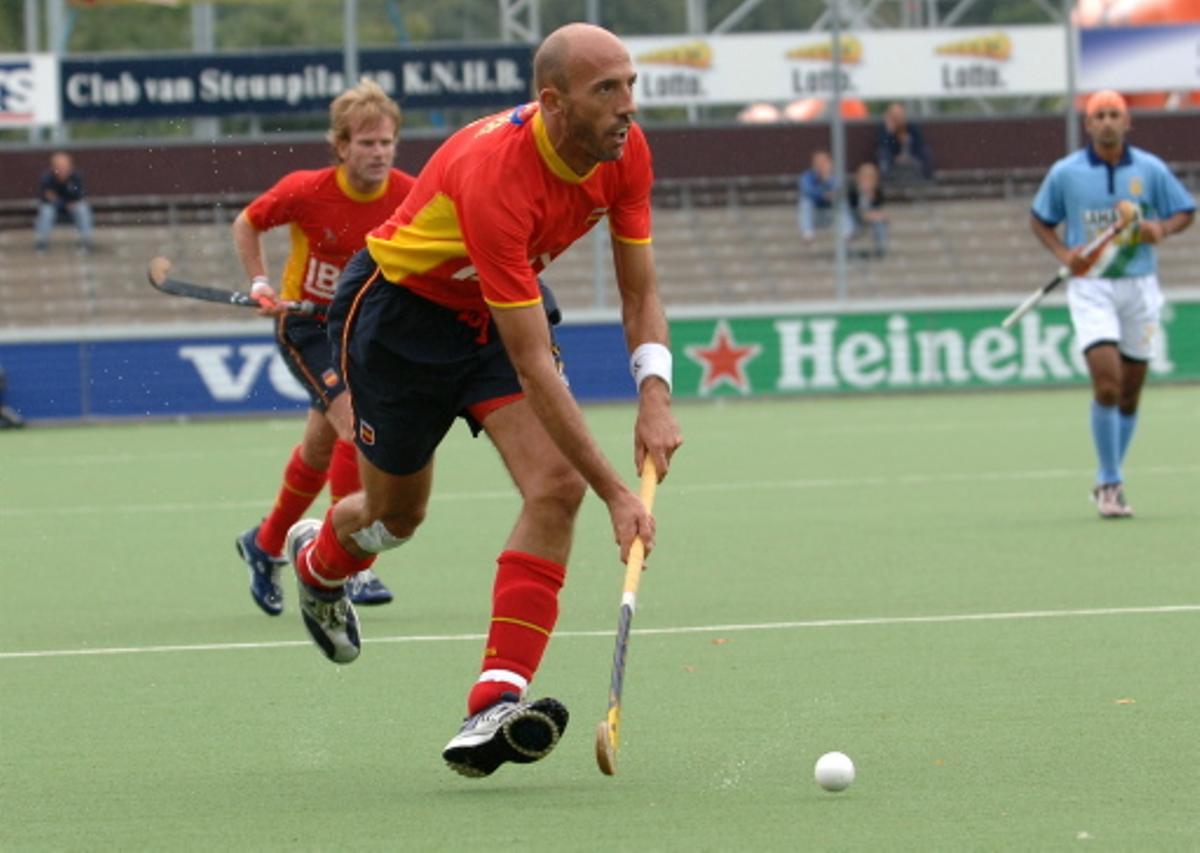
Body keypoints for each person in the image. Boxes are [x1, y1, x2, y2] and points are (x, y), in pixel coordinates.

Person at [285, 22, 683, 779]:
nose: (628, 105)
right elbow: (536, 364)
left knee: (553, 484)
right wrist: (616, 494)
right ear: (553, 102)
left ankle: (495, 698)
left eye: (631, 85)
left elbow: (642, 290)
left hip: (498, 317)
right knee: (394, 515)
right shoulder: (497, 172)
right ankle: (318, 563)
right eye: (608, 90)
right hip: (399, 321)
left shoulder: (624, 151)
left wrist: (654, 397)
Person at [231, 78, 416, 614]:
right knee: (355, 429)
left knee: (320, 447)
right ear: (341, 146)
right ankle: (352, 565)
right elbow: (248, 223)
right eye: (366, 143)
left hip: (365, 329)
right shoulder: (306, 189)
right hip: (306, 327)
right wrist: (261, 282)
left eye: (385, 143)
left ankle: (264, 546)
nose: (378, 153)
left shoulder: (410, 192)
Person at [1030, 89, 1194, 518]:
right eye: (1098, 115)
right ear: (1088, 125)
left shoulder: (1150, 169)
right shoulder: (1065, 173)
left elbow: (1185, 210)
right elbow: (1040, 220)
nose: (1106, 121)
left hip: (1139, 286)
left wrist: (1161, 229)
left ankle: (1112, 475)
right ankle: (1109, 482)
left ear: (1127, 123)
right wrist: (1065, 255)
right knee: (1107, 382)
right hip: (1092, 287)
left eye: (1113, 115)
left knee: (1131, 394)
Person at [34, 151, 94, 253]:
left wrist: (59, 199)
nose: (62, 169)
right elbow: (45, 198)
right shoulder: (47, 178)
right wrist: (64, 203)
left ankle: (86, 240)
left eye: (65, 166)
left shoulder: (76, 177)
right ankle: (41, 242)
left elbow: (80, 196)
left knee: (82, 208)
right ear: (53, 167)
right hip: (55, 209)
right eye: (59, 166)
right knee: (46, 211)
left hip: (72, 209)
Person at [797, 150, 851, 243]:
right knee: (805, 202)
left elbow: (840, 190)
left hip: (832, 213)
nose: (820, 164)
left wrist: (827, 179)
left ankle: (846, 232)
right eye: (818, 161)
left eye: (823, 161)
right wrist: (822, 195)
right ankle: (807, 233)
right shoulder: (807, 176)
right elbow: (806, 191)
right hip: (815, 214)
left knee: (842, 202)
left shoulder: (835, 175)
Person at [875, 102, 933, 183]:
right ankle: (886, 180)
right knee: (882, 154)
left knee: (926, 151)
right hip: (893, 158)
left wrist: (908, 144)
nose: (898, 118)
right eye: (895, 115)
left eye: (900, 115)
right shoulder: (884, 129)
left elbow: (920, 144)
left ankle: (927, 178)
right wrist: (889, 133)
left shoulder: (912, 127)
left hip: (912, 156)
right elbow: (883, 146)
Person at [847, 161, 888, 258]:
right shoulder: (853, 190)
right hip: (854, 218)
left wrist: (871, 198)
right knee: (849, 226)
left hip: (870, 217)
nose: (867, 181)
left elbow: (879, 209)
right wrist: (864, 195)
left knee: (879, 223)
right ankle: (848, 252)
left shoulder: (877, 191)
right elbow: (853, 210)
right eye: (865, 178)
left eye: (870, 178)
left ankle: (880, 250)